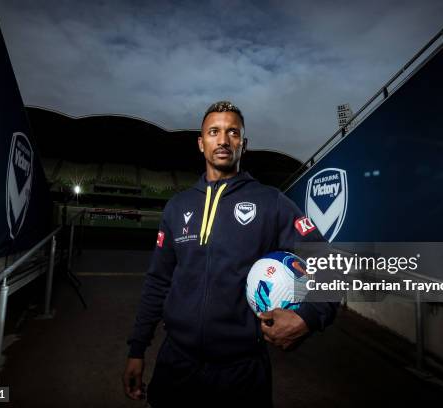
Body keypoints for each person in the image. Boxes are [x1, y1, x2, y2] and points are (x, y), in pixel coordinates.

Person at [123, 101, 338, 407]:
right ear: (201, 143)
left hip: (242, 373)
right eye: (214, 132)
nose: (223, 140)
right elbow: (158, 281)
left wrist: (309, 317)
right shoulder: (177, 206)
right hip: (175, 364)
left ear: (243, 144)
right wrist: (137, 349)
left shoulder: (271, 202)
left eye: (232, 132)